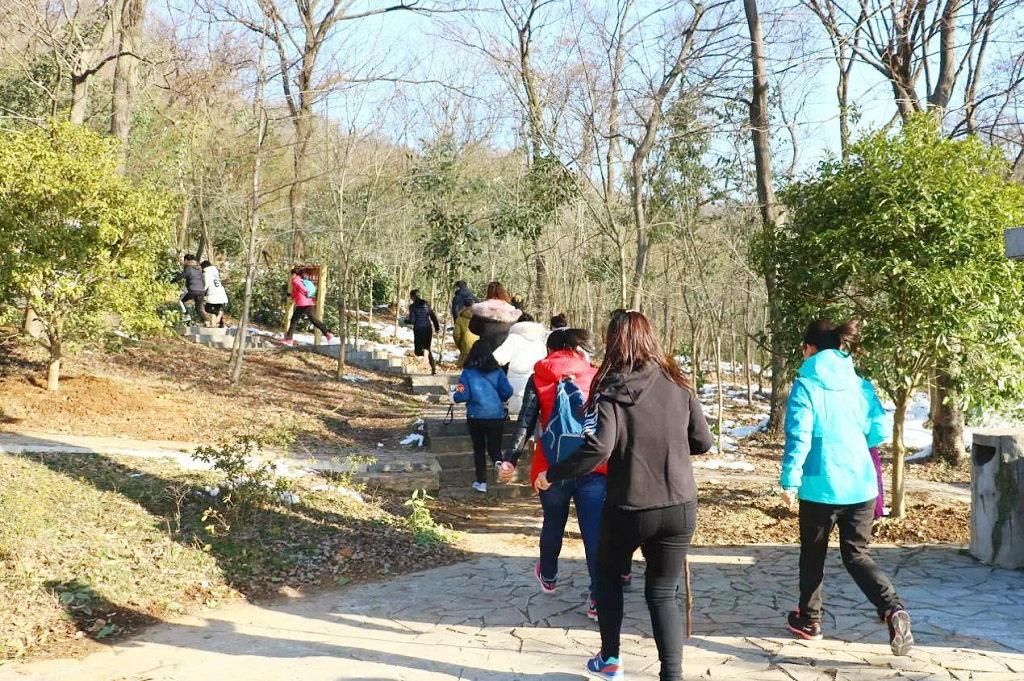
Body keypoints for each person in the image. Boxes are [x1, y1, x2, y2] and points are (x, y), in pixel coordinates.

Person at [536, 310, 713, 681]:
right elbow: (702, 441)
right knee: (663, 593)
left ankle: (611, 658)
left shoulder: (611, 388)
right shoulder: (679, 383)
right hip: (680, 504)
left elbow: (598, 448)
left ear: (614, 341)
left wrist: (553, 474)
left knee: (607, 576)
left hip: (630, 505)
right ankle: (672, 674)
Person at [781, 319, 912, 655]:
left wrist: (789, 479)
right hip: (860, 483)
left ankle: (809, 620)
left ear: (809, 348)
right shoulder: (860, 383)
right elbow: (879, 430)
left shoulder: (806, 383)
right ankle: (893, 609)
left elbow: (800, 435)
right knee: (857, 554)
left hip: (819, 484)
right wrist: (853, 441)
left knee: (813, 554)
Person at [500, 328, 602, 621]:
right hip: (591, 465)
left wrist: (511, 460)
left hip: (551, 467)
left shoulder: (540, 376)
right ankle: (597, 598)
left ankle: (548, 575)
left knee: (553, 522)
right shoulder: (595, 376)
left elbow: (526, 422)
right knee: (593, 532)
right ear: (578, 348)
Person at [453, 341, 513, 493]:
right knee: (495, 448)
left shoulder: (467, 373)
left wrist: (453, 396)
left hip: (475, 416)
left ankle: (481, 482)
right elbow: (507, 391)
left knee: (479, 449)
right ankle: (500, 464)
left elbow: (463, 394)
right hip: (496, 416)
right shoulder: (498, 371)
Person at [492, 315, 548, 414]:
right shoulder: (540, 340)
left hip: (515, 380)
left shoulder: (513, 338)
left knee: (515, 413)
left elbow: (499, 357)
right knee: (532, 413)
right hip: (536, 380)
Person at [283, 267, 332, 346]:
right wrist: (291, 295)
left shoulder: (296, 279)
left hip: (302, 303)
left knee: (294, 320)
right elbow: (297, 292)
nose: (291, 276)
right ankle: (327, 333)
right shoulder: (301, 280)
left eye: (292, 274)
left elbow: (300, 287)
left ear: (294, 274)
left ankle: (289, 339)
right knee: (314, 320)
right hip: (309, 302)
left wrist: (306, 291)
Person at [469, 282, 522, 352]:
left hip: (485, 348)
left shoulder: (481, 309)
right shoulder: (511, 311)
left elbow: (473, 328)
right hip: (505, 350)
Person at [408, 289, 441, 375]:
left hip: (419, 330)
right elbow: (433, 316)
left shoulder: (412, 306)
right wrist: (437, 328)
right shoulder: (426, 304)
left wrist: (404, 321)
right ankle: (433, 369)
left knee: (418, 352)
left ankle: (425, 355)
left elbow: (412, 320)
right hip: (428, 329)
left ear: (412, 297)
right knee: (427, 348)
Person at [178, 254, 207, 324]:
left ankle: (187, 315)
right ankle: (207, 321)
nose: (183, 262)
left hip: (193, 290)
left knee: (181, 301)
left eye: (184, 260)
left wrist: (171, 281)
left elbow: (180, 277)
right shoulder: (199, 269)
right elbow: (203, 280)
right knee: (199, 308)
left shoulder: (188, 268)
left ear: (186, 260)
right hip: (201, 291)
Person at [201, 260, 228, 328]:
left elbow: (206, 284)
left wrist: (202, 291)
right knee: (215, 311)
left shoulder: (206, 273)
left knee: (208, 309)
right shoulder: (215, 272)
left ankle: (218, 313)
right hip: (221, 294)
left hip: (213, 295)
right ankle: (213, 326)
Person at [453, 300, 479, 368]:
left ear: (464, 306)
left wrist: (459, 345)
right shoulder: (479, 317)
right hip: (478, 346)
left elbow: (456, 335)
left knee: (465, 369)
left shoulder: (460, 319)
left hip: (465, 346)